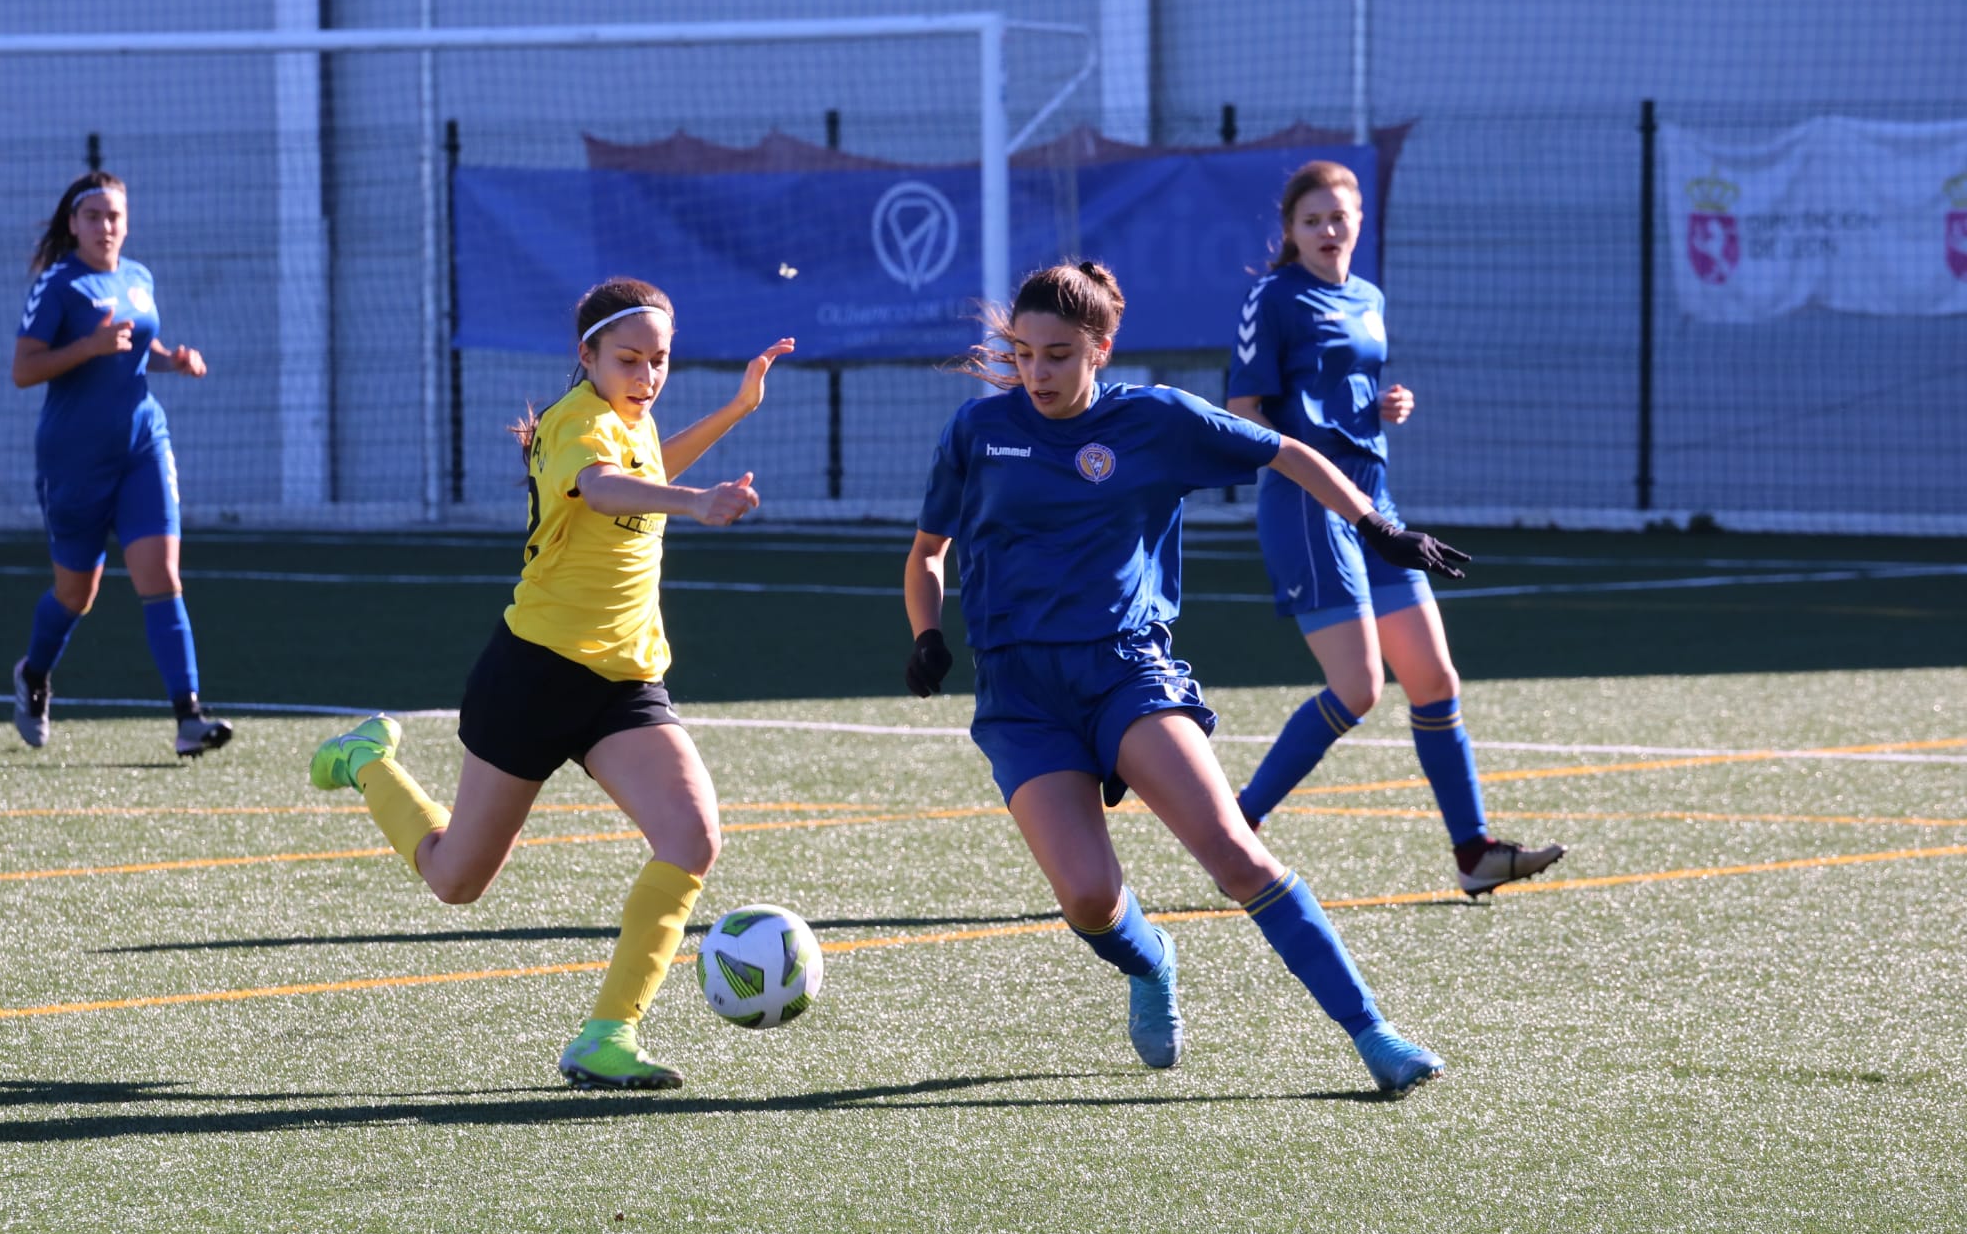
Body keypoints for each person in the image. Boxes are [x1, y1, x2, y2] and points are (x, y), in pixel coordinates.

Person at [903, 261, 1468, 1096]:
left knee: (1236, 855)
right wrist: (926, 631)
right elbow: (927, 555)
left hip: (1126, 668)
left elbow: (1286, 451)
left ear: (1101, 348)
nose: (1036, 372)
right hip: (1020, 693)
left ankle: (1374, 1033)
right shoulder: (979, 432)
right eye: (1023, 354)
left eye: (1057, 354)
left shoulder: (1155, 419)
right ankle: (1153, 958)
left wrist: (1376, 526)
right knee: (1091, 899)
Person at [308, 277, 792, 1092]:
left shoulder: (630, 421)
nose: (647, 376)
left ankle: (608, 1034)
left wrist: (737, 408)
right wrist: (697, 503)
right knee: (456, 879)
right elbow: (605, 486)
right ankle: (366, 760)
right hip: (533, 673)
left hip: (625, 680)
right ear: (588, 356)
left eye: (660, 361)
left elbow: (647, 464)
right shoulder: (577, 425)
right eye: (630, 360)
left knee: (693, 837)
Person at [1225, 160, 1564, 896]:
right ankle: (1232, 826)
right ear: (1289, 230)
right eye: (1311, 220)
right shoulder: (1272, 298)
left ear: (1359, 223)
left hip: (1378, 502)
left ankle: (1473, 853)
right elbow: (1245, 409)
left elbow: (1345, 383)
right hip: (1312, 508)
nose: (1327, 230)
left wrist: (1384, 405)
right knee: (1358, 687)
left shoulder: (1369, 298)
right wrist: (1299, 460)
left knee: (1435, 679)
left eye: (1339, 217)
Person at [9, 172, 232, 758]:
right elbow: (24, 369)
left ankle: (188, 717)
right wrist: (86, 347)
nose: (105, 226)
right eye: (93, 216)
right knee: (76, 594)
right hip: (74, 461)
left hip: (141, 446)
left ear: (126, 222)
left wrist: (173, 360)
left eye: (114, 216)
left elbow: (137, 350)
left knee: (161, 576)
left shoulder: (139, 277)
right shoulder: (58, 285)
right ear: (72, 224)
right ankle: (34, 673)